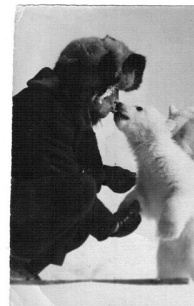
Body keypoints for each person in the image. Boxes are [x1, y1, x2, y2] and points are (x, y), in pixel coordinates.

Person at [10, 36, 147, 281]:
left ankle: (24, 267)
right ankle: (13, 261)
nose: (115, 103)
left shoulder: (63, 108)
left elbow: (66, 165)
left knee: (82, 205)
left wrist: (107, 175)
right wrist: (109, 224)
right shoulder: (41, 107)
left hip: (18, 205)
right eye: (112, 93)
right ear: (94, 86)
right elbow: (60, 177)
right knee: (81, 193)